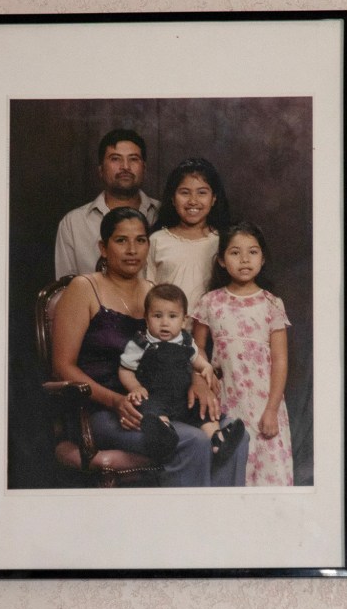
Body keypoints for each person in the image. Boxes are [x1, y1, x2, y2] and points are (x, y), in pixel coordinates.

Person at [51, 207, 248, 487]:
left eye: (141, 240)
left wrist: (197, 379)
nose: (132, 249)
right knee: (192, 441)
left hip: (161, 403)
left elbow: (181, 345)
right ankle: (183, 527)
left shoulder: (154, 291)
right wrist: (115, 401)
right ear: (103, 248)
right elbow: (62, 366)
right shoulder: (84, 289)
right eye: (121, 240)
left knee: (234, 435)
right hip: (102, 410)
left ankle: (217, 524)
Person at [191, 222, 293, 486]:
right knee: (232, 467)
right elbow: (195, 348)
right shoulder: (210, 301)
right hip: (226, 398)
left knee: (269, 473)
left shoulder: (271, 303)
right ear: (222, 261)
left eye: (253, 252)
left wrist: (271, 409)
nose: (245, 259)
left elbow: (280, 361)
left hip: (264, 402)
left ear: (263, 258)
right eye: (235, 253)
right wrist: (204, 378)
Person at [118, 283, 245, 463]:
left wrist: (206, 368)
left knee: (203, 411)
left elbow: (197, 361)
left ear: (183, 320)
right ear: (146, 319)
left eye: (172, 316)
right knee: (149, 410)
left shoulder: (185, 340)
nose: (164, 323)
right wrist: (136, 387)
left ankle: (217, 439)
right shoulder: (141, 342)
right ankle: (164, 436)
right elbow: (125, 370)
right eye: (157, 316)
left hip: (183, 398)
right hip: (154, 397)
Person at [54, 129, 160, 278]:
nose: (125, 167)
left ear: (145, 168)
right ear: (100, 170)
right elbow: (64, 291)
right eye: (115, 159)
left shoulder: (164, 213)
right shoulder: (73, 223)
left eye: (133, 159)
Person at [147, 158, 231, 317]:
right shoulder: (157, 240)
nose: (193, 201)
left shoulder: (224, 242)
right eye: (184, 192)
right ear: (172, 198)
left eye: (202, 193)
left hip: (213, 331)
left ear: (213, 198)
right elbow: (146, 292)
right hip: (167, 332)